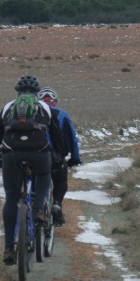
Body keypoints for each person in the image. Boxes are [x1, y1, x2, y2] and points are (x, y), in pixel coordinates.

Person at [0, 75, 63, 265]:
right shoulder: (45, 108)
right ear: (36, 92)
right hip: (39, 153)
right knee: (44, 174)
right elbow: (56, 136)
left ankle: (9, 248)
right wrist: (57, 157)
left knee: (11, 198)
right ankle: (39, 210)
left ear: (18, 92)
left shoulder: (8, 107)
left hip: (11, 155)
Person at [36, 87, 81, 226]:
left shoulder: (32, 113)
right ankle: (56, 204)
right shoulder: (62, 114)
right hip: (54, 158)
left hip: (32, 155)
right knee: (61, 181)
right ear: (55, 101)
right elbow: (72, 138)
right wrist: (75, 158)